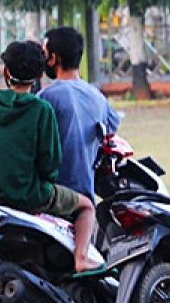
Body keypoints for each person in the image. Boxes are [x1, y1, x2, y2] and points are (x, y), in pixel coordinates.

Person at [0, 40, 98, 273]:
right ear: (37, 77)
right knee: (86, 206)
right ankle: (81, 258)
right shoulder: (41, 110)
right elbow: (50, 167)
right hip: (28, 195)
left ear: (6, 71)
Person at [39, 26, 122, 202]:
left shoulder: (46, 97)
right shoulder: (97, 96)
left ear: (54, 58)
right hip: (85, 195)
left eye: (45, 54)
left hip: (53, 196)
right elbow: (111, 126)